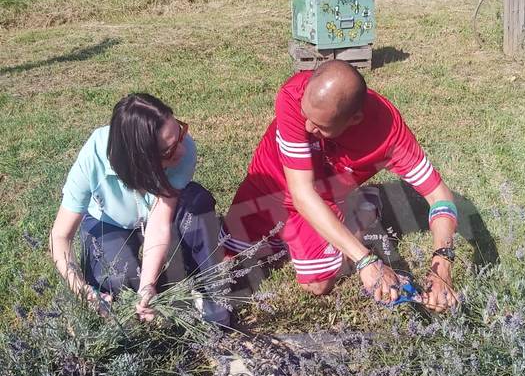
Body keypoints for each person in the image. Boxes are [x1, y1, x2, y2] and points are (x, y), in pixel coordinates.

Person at [221, 61, 458, 312]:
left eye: (320, 126)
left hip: (320, 201)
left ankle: (361, 211)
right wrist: (367, 260)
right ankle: (351, 216)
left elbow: (439, 195)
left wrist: (443, 263)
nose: (307, 128)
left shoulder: (389, 136)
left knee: (318, 284)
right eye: (306, 116)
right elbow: (302, 193)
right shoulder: (293, 95)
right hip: (268, 187)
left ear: (354, 119)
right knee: (226, 260)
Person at [50, 93, 227, 323]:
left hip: (159, 218)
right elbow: (60, 236)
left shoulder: (183, 149)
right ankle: (163, 283)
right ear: (141, 160)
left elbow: (159, 221)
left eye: (181, 131)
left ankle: (210, 291)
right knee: (118, 278)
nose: (182, 150)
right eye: (169, 150)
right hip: (110, 222)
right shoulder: (93, 156)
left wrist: (148, 285)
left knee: (197, 205)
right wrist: (82, 290)